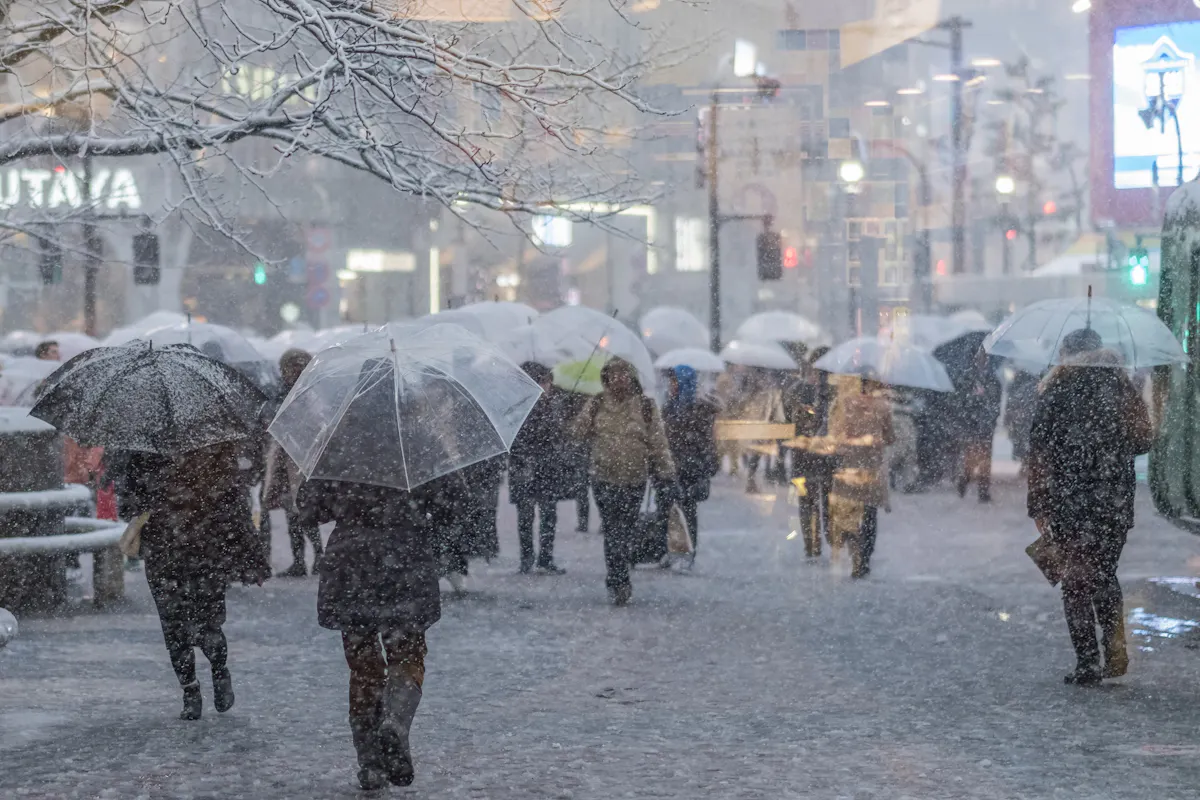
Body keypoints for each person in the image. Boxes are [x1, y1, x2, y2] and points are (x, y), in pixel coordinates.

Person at [1027, 329, 1152, 686]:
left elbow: (1039, 450)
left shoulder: (1057, 389)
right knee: (1105, 574)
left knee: (1077, 582)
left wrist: (1039, 503)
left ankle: (1086, 662)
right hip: (1113, 501)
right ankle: (1115, 651)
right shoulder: (1122, 387)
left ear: (1066, 353)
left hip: (1069, 500)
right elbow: (1143, 439)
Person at [113, 444, 270, 720]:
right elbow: (234, 503)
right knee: (202, 621)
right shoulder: (214, 443)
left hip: (176, 551)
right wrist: (251, 555)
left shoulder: (144, 447)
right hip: (198, 550)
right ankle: (214, 676)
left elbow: (127, 505)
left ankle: (194, 689)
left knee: (178, 626)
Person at [571, 359, 676, 605]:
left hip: (634, 479)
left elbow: (658, 443)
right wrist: (574, 416)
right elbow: (577, 433)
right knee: (612, 529)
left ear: (631, 378)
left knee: (625, 530)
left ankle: (620, 574)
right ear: (606, 378)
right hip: (603, 478)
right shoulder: (596, 403)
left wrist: (666, 472)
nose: (619, 379)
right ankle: (617, 579)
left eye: (624, 374)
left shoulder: (646, 406)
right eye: (614, 375)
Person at [827, 373, 895, 579]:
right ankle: (864, 559)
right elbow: (890, 438)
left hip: (849, 467)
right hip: (872, 468)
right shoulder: (883, 407)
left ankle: (855, 554)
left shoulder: (844, 404)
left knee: (850, 515)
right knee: (870, 516)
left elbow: (836, 435)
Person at [263, 349, 323, 577]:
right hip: (283, 461)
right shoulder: (280, 393)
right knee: (291, 513)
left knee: (305, 512)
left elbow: (316, 423)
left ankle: (318, 555)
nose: (293, 372)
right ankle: (299, 560)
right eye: (289, 367)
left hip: (304, 462)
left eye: (298, 367)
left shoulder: (311, 393)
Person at [509, 362, 567, 573]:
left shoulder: (554, 405)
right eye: (541, 381)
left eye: (547, 381)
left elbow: (560, 437)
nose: (545, 386)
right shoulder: (518, 408)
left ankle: (545, 557)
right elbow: (516, 440)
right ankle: (527, 558)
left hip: (547, 469)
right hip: (524, 469)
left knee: (549, 516)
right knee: (525, 516)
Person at [661, 365, 718, 559]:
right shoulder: (669, 406)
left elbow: (706, 441)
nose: (671, 385)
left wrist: (705, 465)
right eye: (671, 381)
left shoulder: (699, 409)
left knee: (687, 512)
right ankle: (669, 550)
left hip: (690, 469)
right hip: (670, 467)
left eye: (675, 381)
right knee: (668, 511)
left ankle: (688, 551)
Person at [788, 347, 836, 558]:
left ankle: (814, 543)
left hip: (806, 455)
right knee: (821, 499)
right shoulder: (834, 394)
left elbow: (790, 420)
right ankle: (822, 539)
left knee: (810, 500)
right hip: (820, 455)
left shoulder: (798, 390)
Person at [955, 351, 1003, 502]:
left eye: (984, 357)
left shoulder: (993, 379)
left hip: (986, 425)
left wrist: (992, 416)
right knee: (970, 457)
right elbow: (960, 401)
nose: (982, 360)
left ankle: (983, 490)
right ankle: (965, 479)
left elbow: (997, 401)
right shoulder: (967, 378)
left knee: (986, 458)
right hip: (971, 425)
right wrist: (973, 399)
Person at [1004, 368, 1041, 473]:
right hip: (1026, 419)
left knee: (1023, 441)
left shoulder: (1024, 386)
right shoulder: (1025, 386)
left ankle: (1025, 461)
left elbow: (1012, 402)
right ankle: (1025, 461)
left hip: (1026, 419)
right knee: (1023, 441)